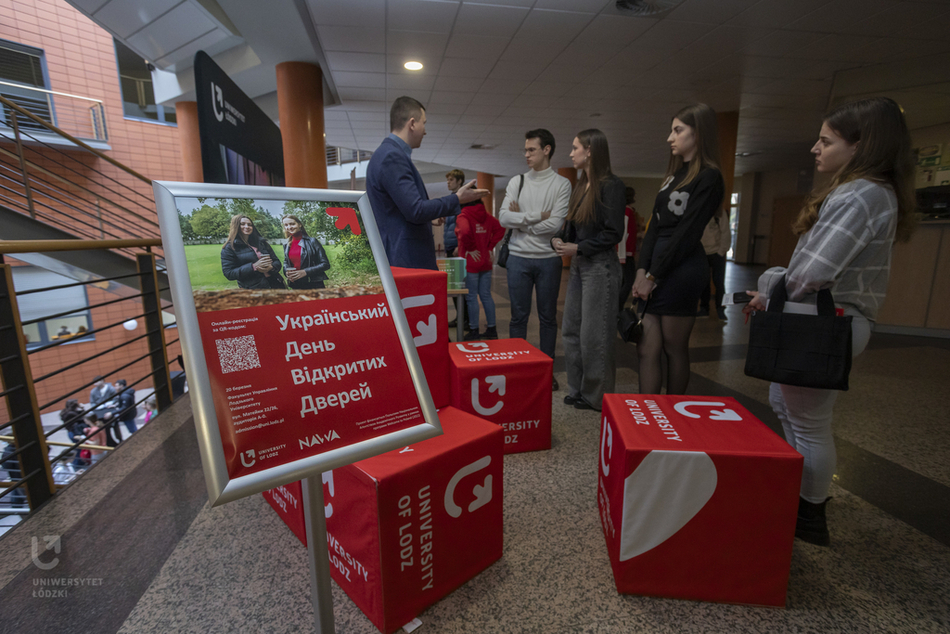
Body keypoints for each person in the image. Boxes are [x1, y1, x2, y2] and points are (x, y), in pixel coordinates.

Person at [743, 97, 915, 547]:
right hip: (823, 320)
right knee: (789, 411)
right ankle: (800, 494)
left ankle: (809, 513)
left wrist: (772, 284)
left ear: (860, 146)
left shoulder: (862, 195)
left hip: (824, 322)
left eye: (826, 141)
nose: (816, 149)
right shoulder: (869, 192)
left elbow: (813, 274)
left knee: (809, 423)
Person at [632, 103, 725, 395]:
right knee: (647, 348)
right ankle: (648, 414)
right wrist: (641, 270)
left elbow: (687, 233)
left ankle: (672, 417)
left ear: (698, 134)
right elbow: (654, 228)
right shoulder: (673, 176)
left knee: (674, 349)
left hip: (682, 269)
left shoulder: (709, 177)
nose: (670, 138)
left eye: (677, 130)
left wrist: (653, 276)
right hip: (656, 266)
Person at [365, 96, 488, 270]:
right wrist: (457, 199)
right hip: (405, 259)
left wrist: (429, 218)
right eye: (424, 123)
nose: (425, 131)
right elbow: (416, 210)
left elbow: (399, 212)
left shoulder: (387, 154)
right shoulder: (392, 157)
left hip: (400, 256)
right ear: (412, 123)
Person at [552, 129, 625, 411]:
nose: (571, 153)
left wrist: (578, 249)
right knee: (571, 330)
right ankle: (579, 388)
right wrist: (558, 240)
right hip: (582, 265)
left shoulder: (611, 185)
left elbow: (613, 233)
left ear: (590, 150)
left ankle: (596, 396)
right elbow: (570, 228)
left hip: (600, 267)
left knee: (595, 335)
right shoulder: (581, 186)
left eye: (575, 148)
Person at [498, 129, 572, 389]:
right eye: (525, 150)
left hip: (549, 260)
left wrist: (522, 222)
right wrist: (536, 216)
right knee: (518, 317)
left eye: (531, 150)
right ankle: (517, 369)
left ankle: (545, 371)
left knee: (548, 318)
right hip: (518, 258)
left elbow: (555, 226)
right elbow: (503, 218)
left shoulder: (562, 184)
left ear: (547, 149)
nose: (526, 154)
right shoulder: (517, 181)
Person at [457, 193, 504, 341]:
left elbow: (464, 232)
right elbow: (500, 229)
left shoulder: (463, 215)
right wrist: (490, 247)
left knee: (471, 297)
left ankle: (474, 330)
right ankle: (491, 329)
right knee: (485, 295)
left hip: (471, 260)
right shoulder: (487, 216)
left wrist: (470, 247)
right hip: (485, 260)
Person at [220, 215, 285, 289]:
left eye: (250, 225)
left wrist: (272, 267)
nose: (247, 226)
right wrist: (254, 267)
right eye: (242, 224)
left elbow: (277, 262)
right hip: (254, 289)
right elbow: (229, 273)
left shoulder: (261, 243)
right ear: (236, 226)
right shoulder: (229, 248)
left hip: (276, 284)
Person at [281, 214, 330, 290]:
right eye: (286, 225)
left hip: (313, 284)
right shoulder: (286, 244)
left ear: (300, 224)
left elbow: (325, 264)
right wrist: (286, 271)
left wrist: (305, 272)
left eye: (292, 224)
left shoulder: (312, 241)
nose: (289, 227)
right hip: (296, 284)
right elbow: (286, 261)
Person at [699, 206, 731, 320]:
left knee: (719, 283)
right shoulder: (699, 209)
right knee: (703, 283)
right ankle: (704, 309)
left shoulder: (719, 211)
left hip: (717, 253)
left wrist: (721, 252)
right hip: (702, 253)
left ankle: (721, 310)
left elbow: (726, 232)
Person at [617, 187, 640, 312]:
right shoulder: (627, 211)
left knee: (625, 280)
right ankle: (618, 306)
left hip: (626, 252)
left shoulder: (626, 211)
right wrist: (622, 254)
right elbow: (623, 233)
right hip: (625, 253)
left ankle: (617, 305)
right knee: (629, 280)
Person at [60, 399, 88, 468]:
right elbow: (82, 418)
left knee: (78, 449)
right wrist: (82, 409)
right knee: (79, 449)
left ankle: (79, 463)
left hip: (71, 432)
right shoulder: (71, 414)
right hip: (74, 433)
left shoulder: (68, 412)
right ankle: (77, 465)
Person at [443, 170, 463, 257]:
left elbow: (464, 225)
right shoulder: (452, 199)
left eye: (451, 180)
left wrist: (460, 245)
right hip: (449, 245)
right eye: (448, 180)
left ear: (459, 181)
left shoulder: (462, 200)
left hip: (456, 245)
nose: (448, 182)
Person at [2, 442, 27, 506]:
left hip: (17, 477)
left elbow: (6, 465)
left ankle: (17, 508)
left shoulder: (9, 451)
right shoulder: (22, 447)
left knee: (17, 491)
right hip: (20, 476)